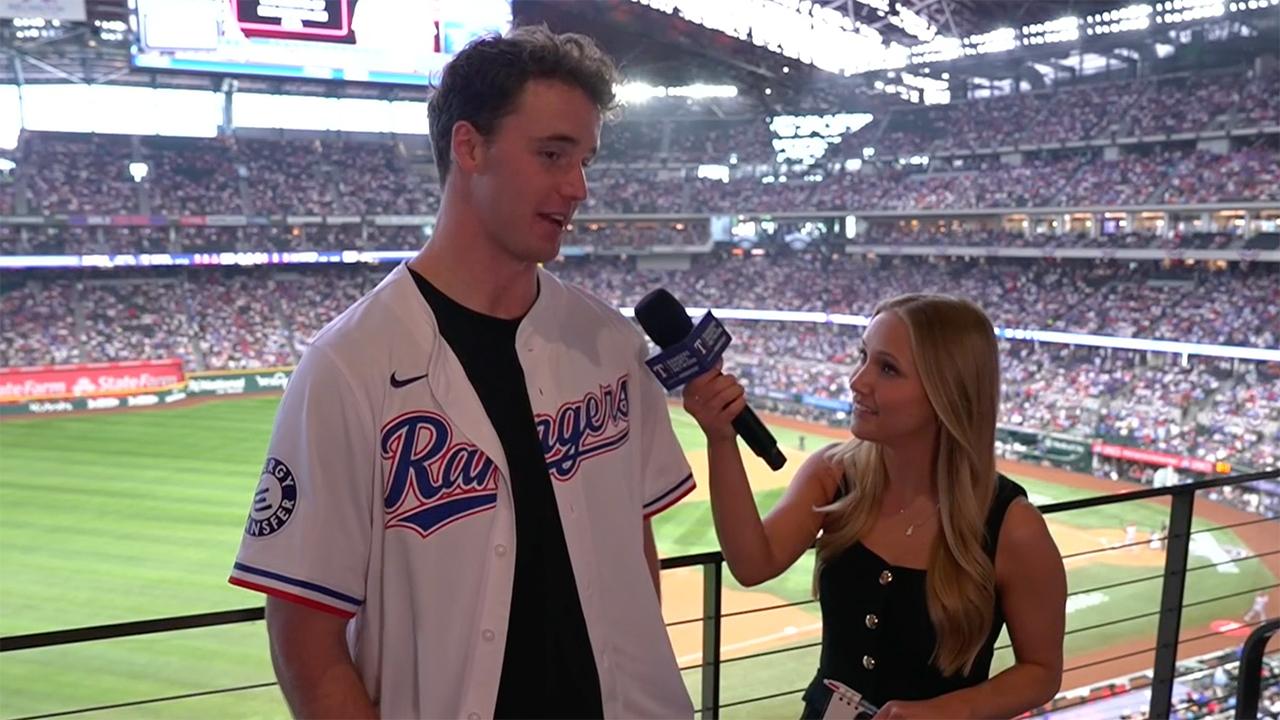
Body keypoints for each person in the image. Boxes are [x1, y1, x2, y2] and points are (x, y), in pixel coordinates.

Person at [229, 26, 697, 719]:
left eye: (585, 160)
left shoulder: (610, 344)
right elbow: (304, 640)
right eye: (552, 155)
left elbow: (634, 549)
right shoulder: (348, 365)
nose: (577, 187)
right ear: (469, 147)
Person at [683, 294, 1066, 719]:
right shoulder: (833, 474)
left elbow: (1041, 671)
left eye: (887, 368)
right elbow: (753, 563)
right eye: (863, 356)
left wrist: (943, 712)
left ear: (947, 393)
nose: (857, 381)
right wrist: (721, 439)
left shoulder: (1013, 527)